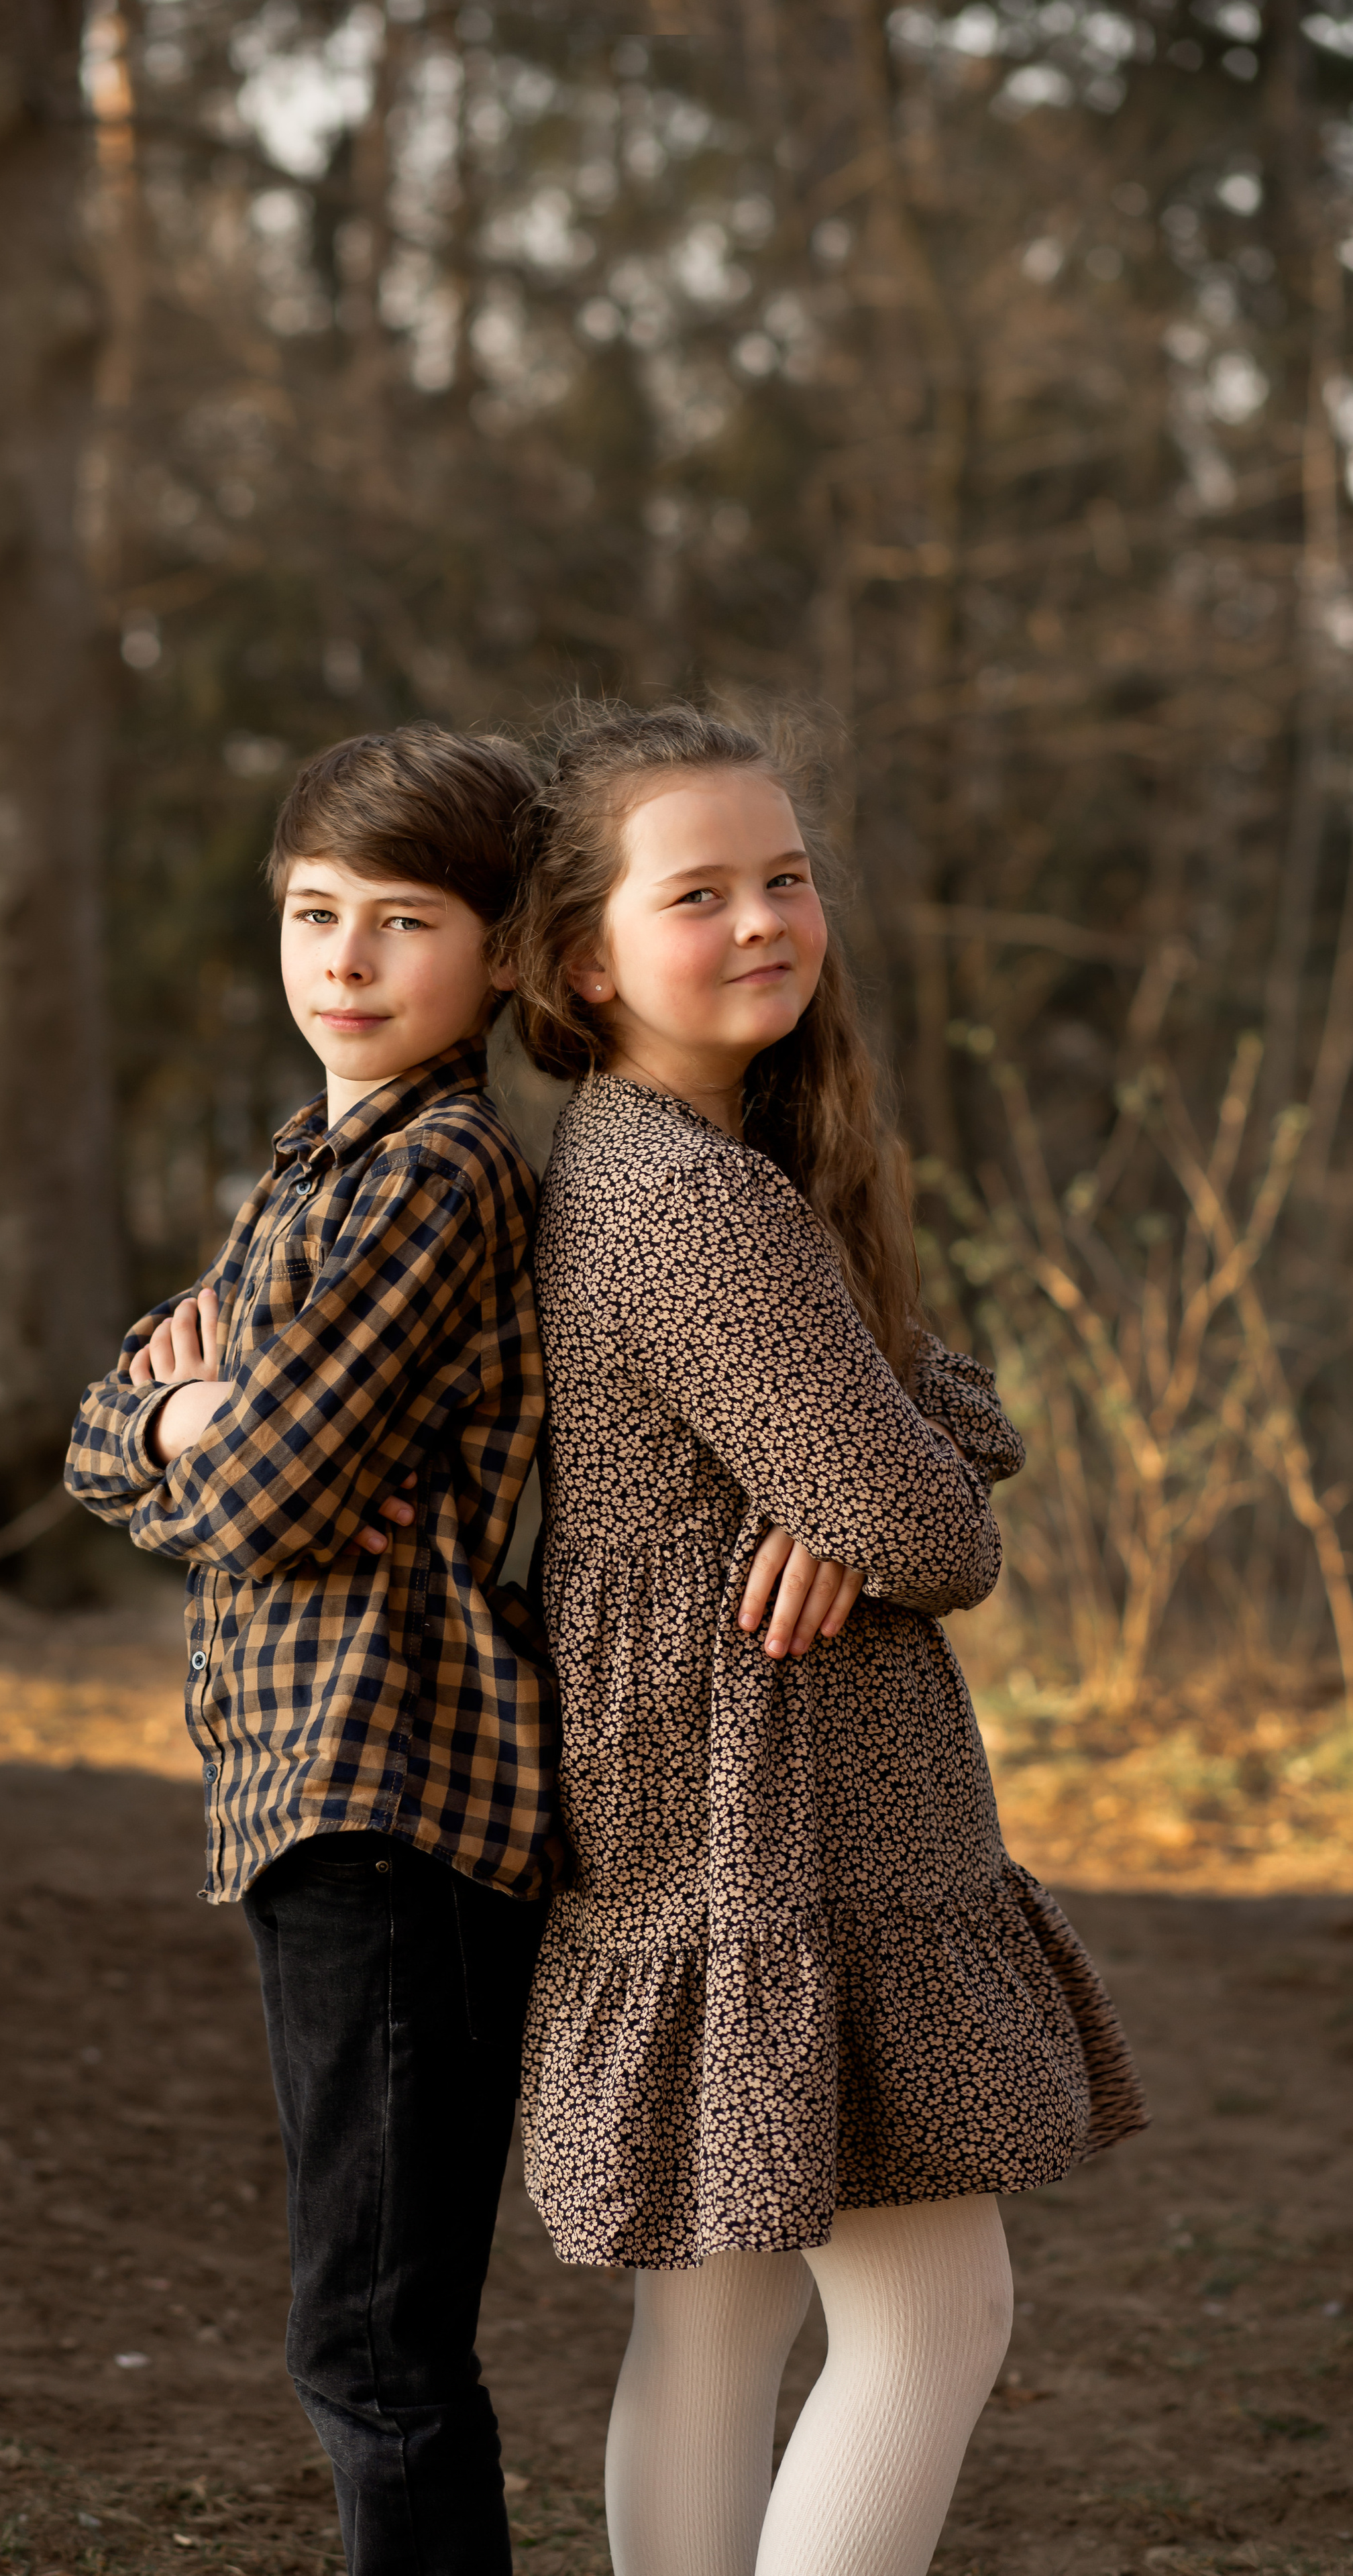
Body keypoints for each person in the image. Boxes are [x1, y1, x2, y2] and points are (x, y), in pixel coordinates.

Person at [496, 700, 1147, 2576]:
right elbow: (934, 1527)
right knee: (936, 2319)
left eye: (786, 877)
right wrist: (871, 1491)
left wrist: (875, 1470)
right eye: (698, 892)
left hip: (704, 1811)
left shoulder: (647, 1168)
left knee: (721, 2313)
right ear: (581, 961)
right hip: (788, 1816)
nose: (767, 918)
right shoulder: (700, 1210)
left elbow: (942, 1427)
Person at [64, 726, 557, 2575]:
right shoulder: (307, 1171)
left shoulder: (438, 1178)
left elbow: (264, 1492)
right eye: (313, 913)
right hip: (306, 1790)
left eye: (402, 921)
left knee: (375, 2336)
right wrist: (175, 1423)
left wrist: (204, 1432)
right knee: (361, 2324)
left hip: (399, 1795)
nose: (343, 961)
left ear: (501, 959)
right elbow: (102, 1423)